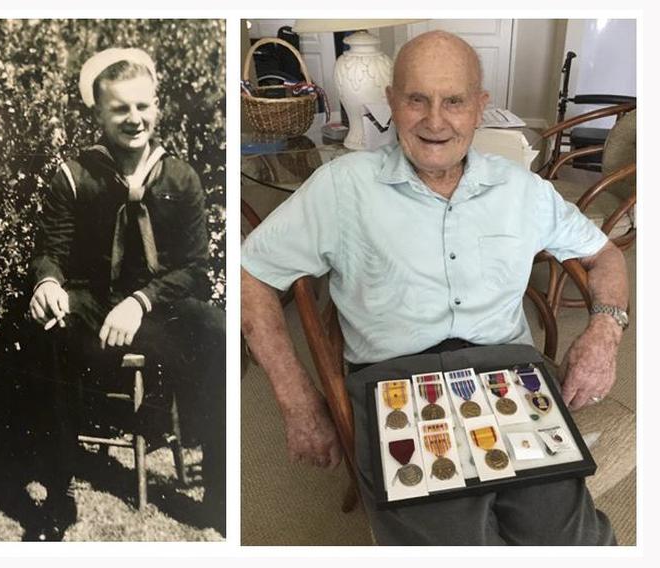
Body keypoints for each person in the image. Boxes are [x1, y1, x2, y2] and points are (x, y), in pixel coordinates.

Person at [241, 30, 628, 545]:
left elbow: (603, 255)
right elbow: (250, 276)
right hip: (394, 381)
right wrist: (297, 398)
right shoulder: (342, 187)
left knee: (575, 542)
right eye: (416, 99)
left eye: (454, 101)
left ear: (480, 107)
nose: (435, 120)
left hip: (510, 374)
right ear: (392, 102)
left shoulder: (522, 189)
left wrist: (605, 331)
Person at [27, 47, 225, 540]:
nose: (134, 119)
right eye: (120, 109)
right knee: (49, 325)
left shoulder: (180, 178)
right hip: (93, 302)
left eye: (142, 106)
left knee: (218, 330)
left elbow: (195, 270)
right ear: (98, 113)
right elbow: (49, 249)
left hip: (157, 309)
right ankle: (58, 491)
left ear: (156, 107)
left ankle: (220, 494)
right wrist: (47, 283)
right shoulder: (75, 176)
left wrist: (141, 302)